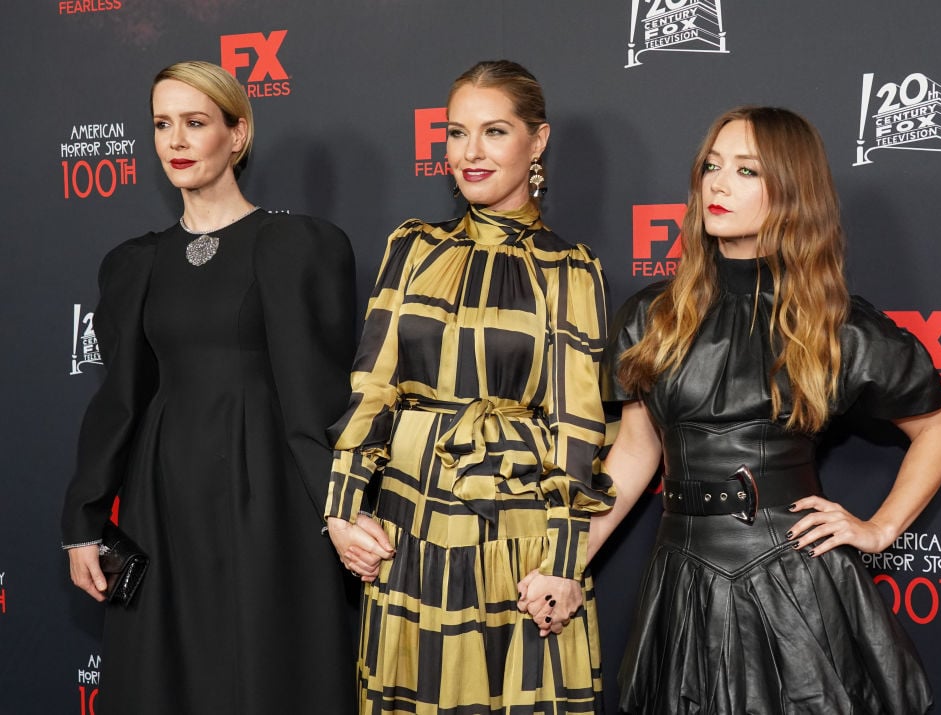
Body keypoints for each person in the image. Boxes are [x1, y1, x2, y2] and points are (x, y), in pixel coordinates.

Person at [586, 106, 941, 714]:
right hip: (680, 580)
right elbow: (634, 453)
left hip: (794, 584)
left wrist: (879, 527)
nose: (718, 183)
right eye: (712, 166)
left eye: (746, 171)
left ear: (791, 191)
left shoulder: (834, 323)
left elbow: (939, 431)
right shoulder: (651, 314)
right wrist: (568, 560)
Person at [61, 60, 358, 714]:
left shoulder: (294, 245)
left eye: (196, 123)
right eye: (163, 124)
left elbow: (318, 400)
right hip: (163, 499)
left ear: (238, 134)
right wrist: (84, 519)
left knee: (270, 668)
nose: (176, 140)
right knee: (169, 673)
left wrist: (341, 505)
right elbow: (120, 400)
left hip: (270, 496)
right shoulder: (136, 264)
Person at [324, 59, 614, 713]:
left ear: (537, 142)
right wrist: (342, 510)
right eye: (457, 133)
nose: (471, 152)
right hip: (408, 537)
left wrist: (565, 564)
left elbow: (579, 428)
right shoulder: (413, 247)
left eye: (495, 131)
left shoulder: (568, 269)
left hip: (515, 549)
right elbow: (372, 387)